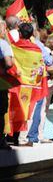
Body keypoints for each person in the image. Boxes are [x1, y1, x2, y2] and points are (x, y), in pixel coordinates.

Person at [0, 17, 15, 149]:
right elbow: (9, 63)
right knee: (1, 111)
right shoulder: (3, 44)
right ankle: (0, 141)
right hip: (1, 82)